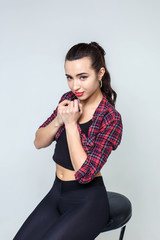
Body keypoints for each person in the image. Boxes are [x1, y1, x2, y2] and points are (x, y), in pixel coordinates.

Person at [13, 41, 123, 240]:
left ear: (100, 73)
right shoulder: (68, 99)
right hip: (56, 193)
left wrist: (71, 125)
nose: (75, 86)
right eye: (69, 78)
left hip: (87, 202)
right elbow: (39, 142)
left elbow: (84, 174)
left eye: (82, 77)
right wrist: (58, 119)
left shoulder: (110, 119)